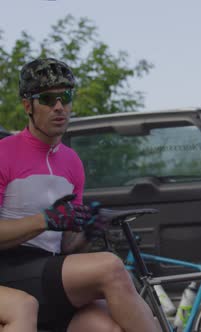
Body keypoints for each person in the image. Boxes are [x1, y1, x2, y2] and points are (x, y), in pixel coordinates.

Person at [0, 58, 160, 332]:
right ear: (28, 106)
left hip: (49, 270)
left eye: (66, 97)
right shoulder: (5, 152)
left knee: (110, 327)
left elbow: (65, 248)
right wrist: (45, 220)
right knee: (110, 268)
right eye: (48, 99)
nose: (59, 106)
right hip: (8, 269)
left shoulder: (72, 162)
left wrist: (86, 232)